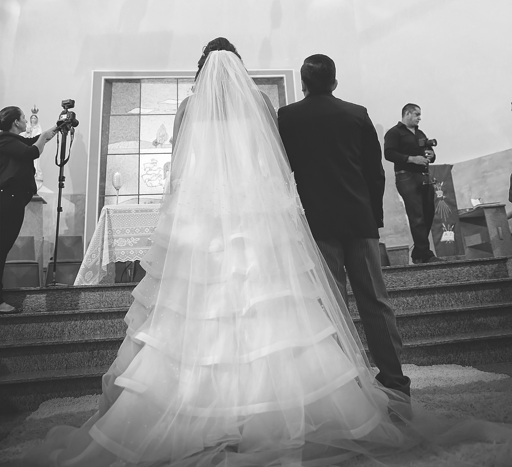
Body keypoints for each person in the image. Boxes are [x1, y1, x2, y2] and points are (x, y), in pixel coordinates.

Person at [21, 43, 512, 467]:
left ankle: (200, 402)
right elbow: (275, 162)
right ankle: (316, 394)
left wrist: (180, 207)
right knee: (271, 300)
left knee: (201, 307)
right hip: (256, 213)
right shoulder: (261, 102)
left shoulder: (190, 106)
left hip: (204, 216)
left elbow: (179, 164)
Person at [278, 54, 411, 400]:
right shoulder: (357, 113)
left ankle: (345, 388)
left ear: (303, 84)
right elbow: (375, 172)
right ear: (335, 83)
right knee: (375, 301)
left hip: (318, 222)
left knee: (331, 304)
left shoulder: (288, 117)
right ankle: (396, 383)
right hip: (358, 220)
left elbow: (282, 170)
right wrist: (374, 217)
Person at [0, 106, 57, 314]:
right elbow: (32, 151)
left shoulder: (11, 140)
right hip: (7, 201)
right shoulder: (4, 139)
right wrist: (42, 138)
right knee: (1, 248)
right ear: (16, 122)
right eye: (23, 118)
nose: (26, 121)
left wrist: (53, 130)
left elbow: (31, 142)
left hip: (12, 201)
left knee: (2, 248)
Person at [384, 104, 441, 265]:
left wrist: (431, 155)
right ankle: (425, 254)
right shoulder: (394, 132)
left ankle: (418, 253)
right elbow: (389, 153)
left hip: (424, 176)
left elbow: (430, 153)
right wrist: (411, 159)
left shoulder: (420, 133)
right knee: (417, 216)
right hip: (406, 176)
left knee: (428, 213)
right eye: (416, 114)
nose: (419, 118)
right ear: (407, 114)